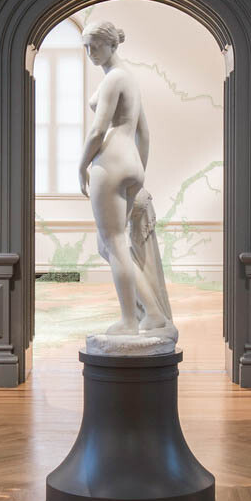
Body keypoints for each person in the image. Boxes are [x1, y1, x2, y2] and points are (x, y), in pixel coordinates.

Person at [78, 21, 175, 339]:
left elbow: (97, 130)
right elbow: (144, 132)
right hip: (130, 163)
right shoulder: (129, 79)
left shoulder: (112, 80)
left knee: (114, 244)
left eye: (95, 45)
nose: (90, 52)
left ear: (112, 45)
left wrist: (81, 165)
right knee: (113, 246)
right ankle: (154, 313)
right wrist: (139, 171)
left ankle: (129, 321)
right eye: (86, 46)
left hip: (111, 163)